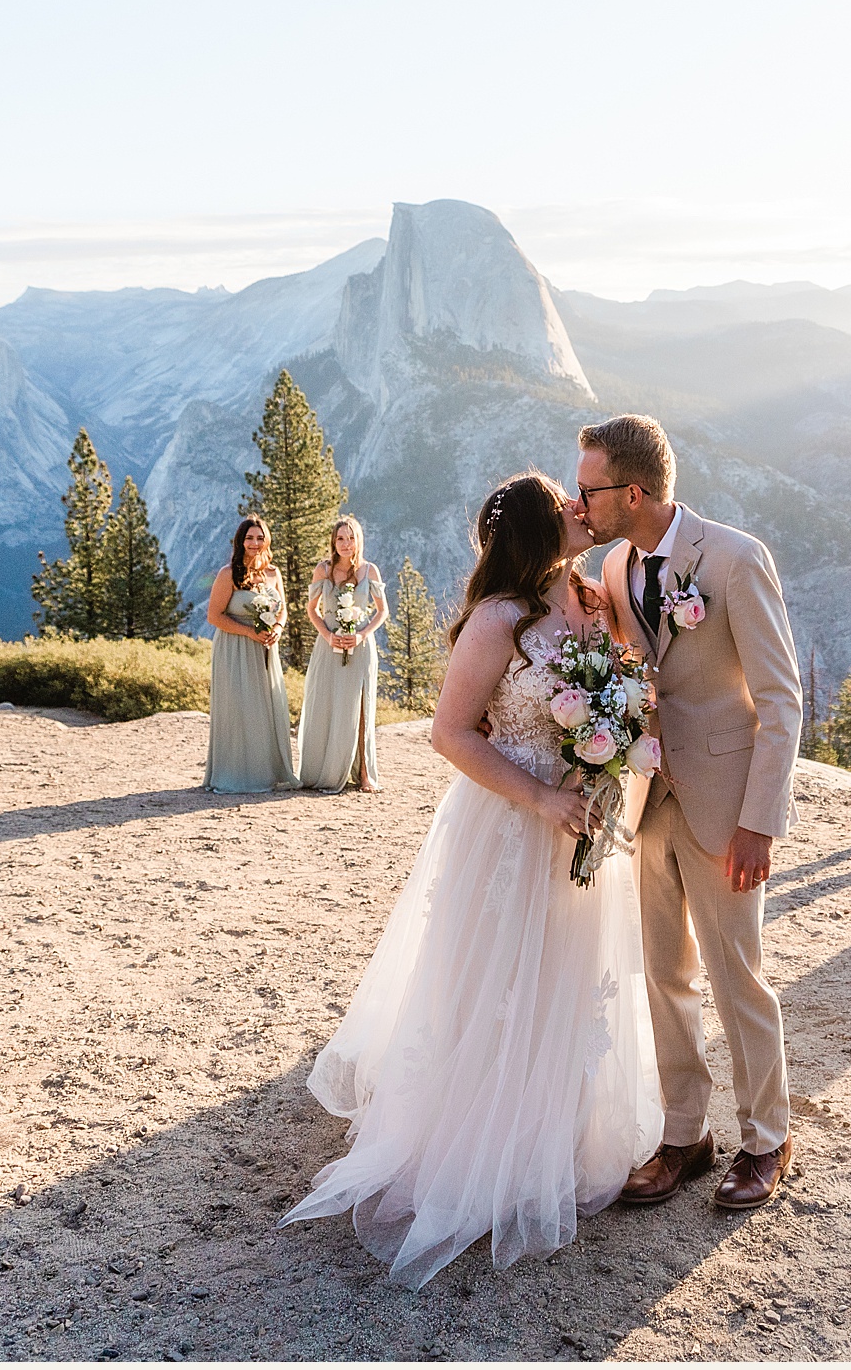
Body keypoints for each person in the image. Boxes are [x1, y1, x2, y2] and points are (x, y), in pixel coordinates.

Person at [283, 471, 660, 1288]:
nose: (577, 507)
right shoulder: (499, 618)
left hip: (580, 819)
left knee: (565, 977)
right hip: (510, 823)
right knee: (496, 979)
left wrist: (612, 745)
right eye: (564, 500)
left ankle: (553, 1136)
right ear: (534, 524)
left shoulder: (592, 598)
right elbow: (450, 734)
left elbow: (621, 687)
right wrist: (541, 795)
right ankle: (479, 1150)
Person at [575, 413, 804, 1212]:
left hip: (725, 803)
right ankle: (684, 1134)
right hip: (652, 798)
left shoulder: (736, 559)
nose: (581, 500)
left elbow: (781, 700)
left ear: (632, 491)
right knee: (665, 973)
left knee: (737, 975)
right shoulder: (611, 560)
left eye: (589, 489)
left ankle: (766, 1139)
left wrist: (759, 822)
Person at [203, 515, 300, 793]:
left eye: (259, 537)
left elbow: (282, 610)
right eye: (249, 538)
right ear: (240, 541)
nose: (255, 543)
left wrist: (278, 629)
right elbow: (214, 616)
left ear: (266, 540)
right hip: (235, 649)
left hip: (266, 648)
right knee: (239, 710)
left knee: (266, 710)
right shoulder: (228, 574)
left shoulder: (273, 573)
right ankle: (235, 775)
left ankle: (267, 773)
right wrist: (248, 633)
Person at [297, 516, 388, 792]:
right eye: (340, 539)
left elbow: (382, 611)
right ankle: (323, 769)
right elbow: (311, 610)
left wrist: (361, 634)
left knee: (360, 708)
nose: (346, 544)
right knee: (325, 704)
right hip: (328, 646)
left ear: (358, 540)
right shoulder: (323, 570)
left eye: (351, 538)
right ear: (333, 542)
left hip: (360, 647)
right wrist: (328, 635)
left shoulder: (369, 571)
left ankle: (363, 775)